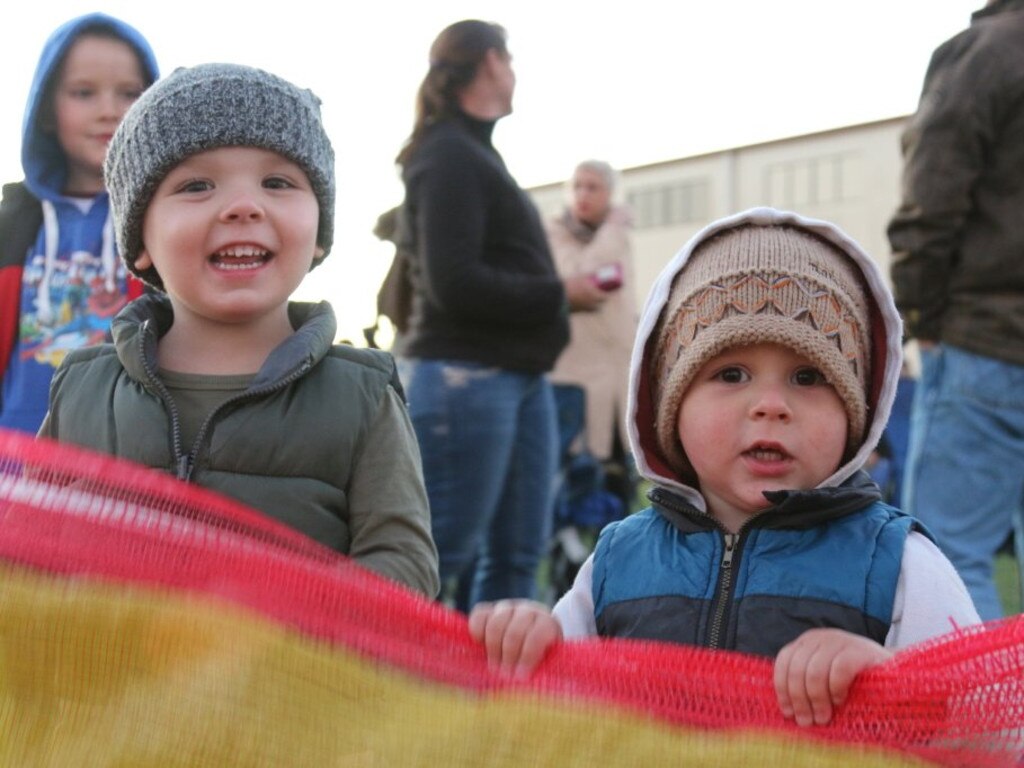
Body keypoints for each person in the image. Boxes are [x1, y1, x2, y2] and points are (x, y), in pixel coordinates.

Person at [469, 208, 979, 727]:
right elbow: (551, 718)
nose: (771, 405)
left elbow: (992, 731)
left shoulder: (897, 562)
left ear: (857, 411)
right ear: (669, 403)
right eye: (731, 373)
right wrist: (531, 645)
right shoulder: (616, 560)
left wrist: (891, 681)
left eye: (807, 377)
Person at [38, 63, 440, 598]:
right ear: (139, 240)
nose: (245, 207)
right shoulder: (83, 391)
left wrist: (290, 623)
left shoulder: (362, 395)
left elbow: (404, 560)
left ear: (319, 233)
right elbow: (29, 548)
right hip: (110, 677)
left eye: (277, 182)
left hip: (290, 677)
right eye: (197, 185)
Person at [395, 21, 600, 611]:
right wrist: (557, 292)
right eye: (509, 60)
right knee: (439, 558)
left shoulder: (475, 154)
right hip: (467, 378)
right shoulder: (447, 156)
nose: (513, 74)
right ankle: (390, 690)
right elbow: (452, 283)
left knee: (515, 557)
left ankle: (490, 695)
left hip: (514, 377)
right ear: (489, 62)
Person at [886, 0, 1024, 620]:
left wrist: (922, 318)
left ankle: (989, 720)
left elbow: (931, 196)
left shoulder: (990, 51)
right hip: (988, 340)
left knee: (950, 558)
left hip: (986, 341)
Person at [0, 13, 159, 434]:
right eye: (83, 93)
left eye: (130, 93)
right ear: (46, 111)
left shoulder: (164, 224)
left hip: (124, 459)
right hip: (14, 463)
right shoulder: (10, 227)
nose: (109, 111)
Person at [546, 160, 638, 597]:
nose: (583, 194)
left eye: (594, 187)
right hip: (573, 385)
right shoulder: (557, 233)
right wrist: (615, 229)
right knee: (571, 487)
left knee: (616, 485)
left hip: (617, 387)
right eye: (578, 186)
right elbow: (583, 279)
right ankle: (568, 586)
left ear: (610, 193)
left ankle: (612, 583)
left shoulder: (613, 237)